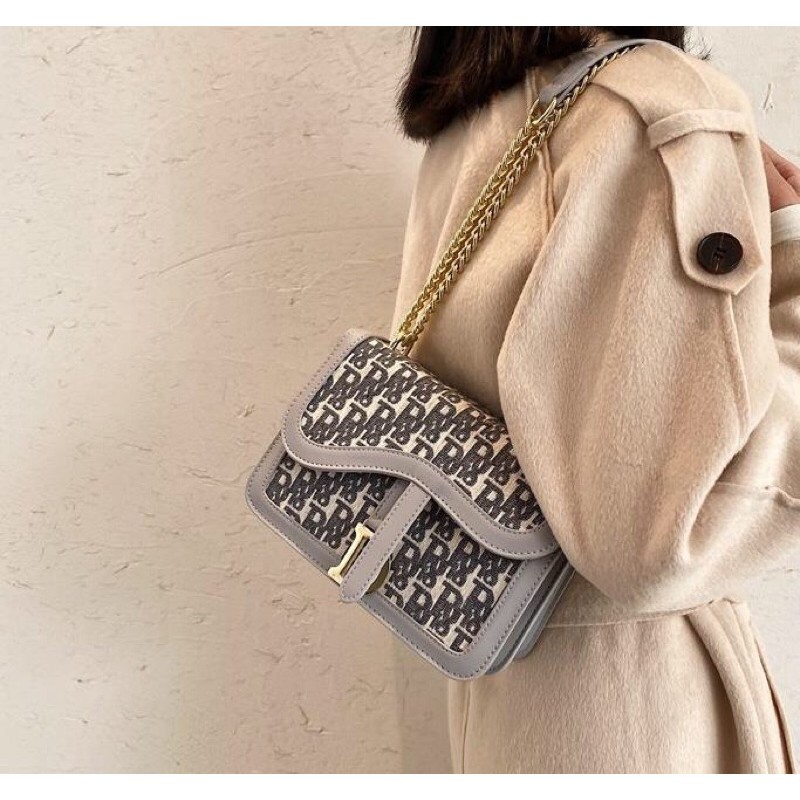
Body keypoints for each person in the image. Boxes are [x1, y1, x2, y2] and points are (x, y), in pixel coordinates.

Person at [392, 26, 800, 774]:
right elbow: (666, 536)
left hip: (511, 699)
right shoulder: (660, 107)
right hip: (641, 714)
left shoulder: (469, 126)